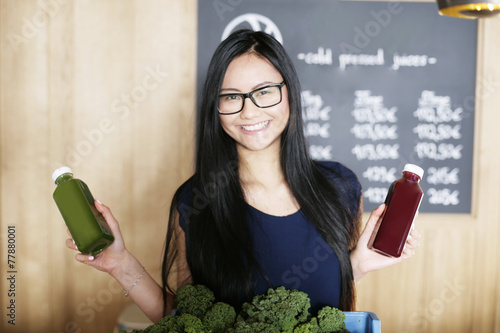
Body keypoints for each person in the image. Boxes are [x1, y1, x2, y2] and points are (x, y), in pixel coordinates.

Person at [66, 29, 420, 323]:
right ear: (215, 109)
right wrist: (120, 263)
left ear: (289, 95)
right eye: (231, 96)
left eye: (264, 92)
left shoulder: (340, 188)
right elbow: (188, 318)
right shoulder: (195, 201)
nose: (249, 111)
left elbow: (329, 309)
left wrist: (356, 265)